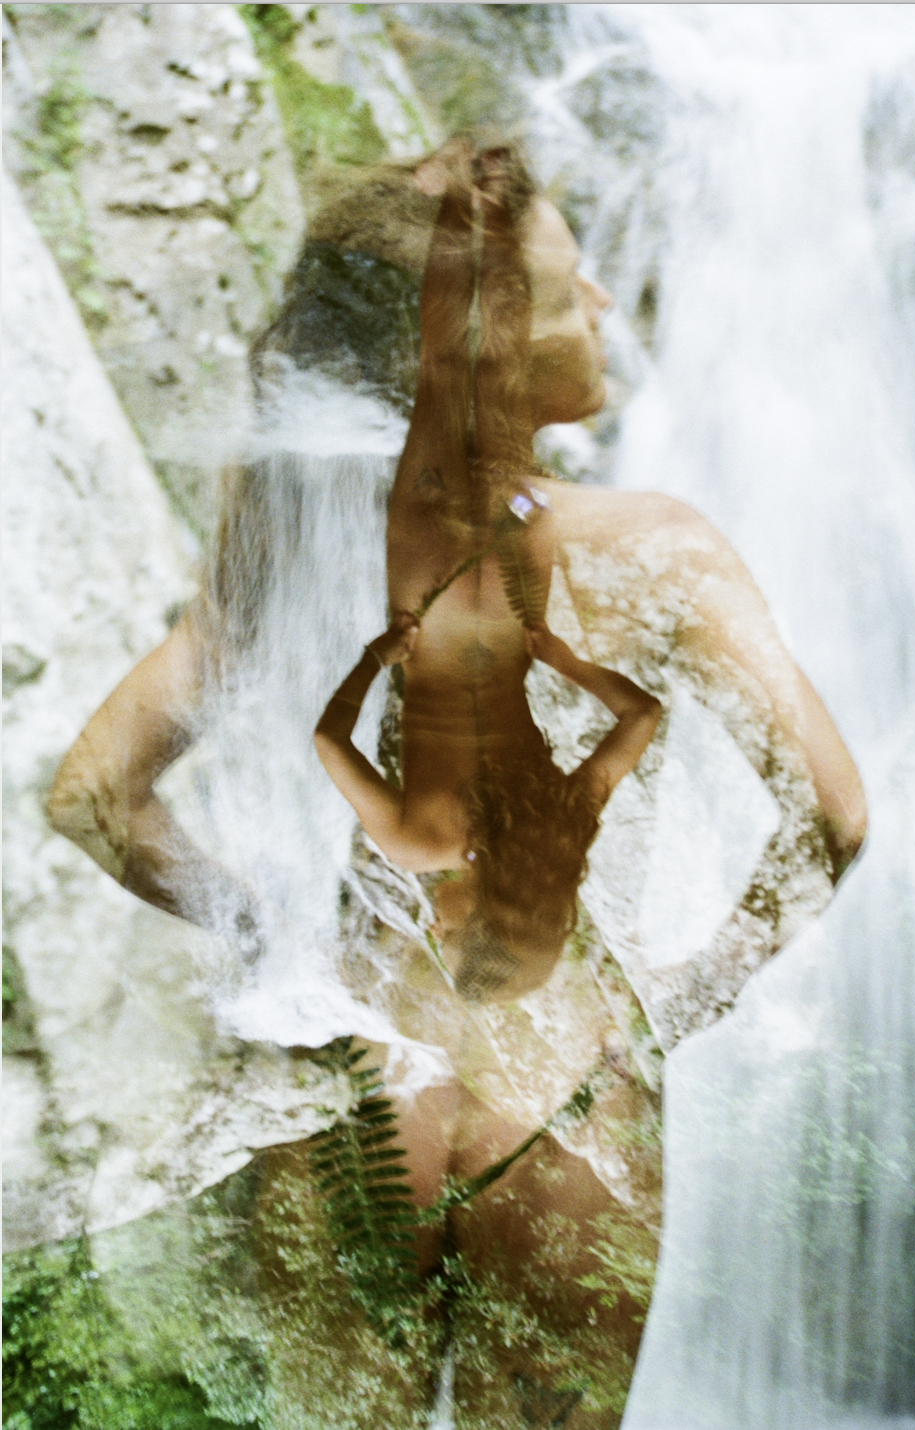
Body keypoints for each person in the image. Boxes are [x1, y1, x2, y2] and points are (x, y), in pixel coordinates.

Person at [47, 137, 866, 1428]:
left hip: (361, 1086)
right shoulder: (657, 552)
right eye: (569, 288)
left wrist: (278, 942)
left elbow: (95, 794)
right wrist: (675, 996)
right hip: (569, 1093)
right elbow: (833, 817)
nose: (603, 300)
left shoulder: (308, 538)